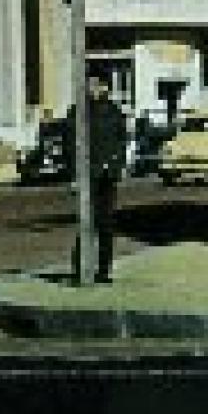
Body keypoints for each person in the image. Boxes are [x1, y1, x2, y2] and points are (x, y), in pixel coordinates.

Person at [64, 71, 129, 284]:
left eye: (95, 85)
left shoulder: (114, 111)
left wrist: (116, 165)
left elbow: (122, 141)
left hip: (107, 175)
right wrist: (73, 175)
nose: (91, 89)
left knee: (106, 224)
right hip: (87, 175)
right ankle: (79, 269)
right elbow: (70, 144)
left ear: (104, 87)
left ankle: (104, 270)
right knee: (86, 223)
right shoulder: (79, 112)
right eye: (88, 85)